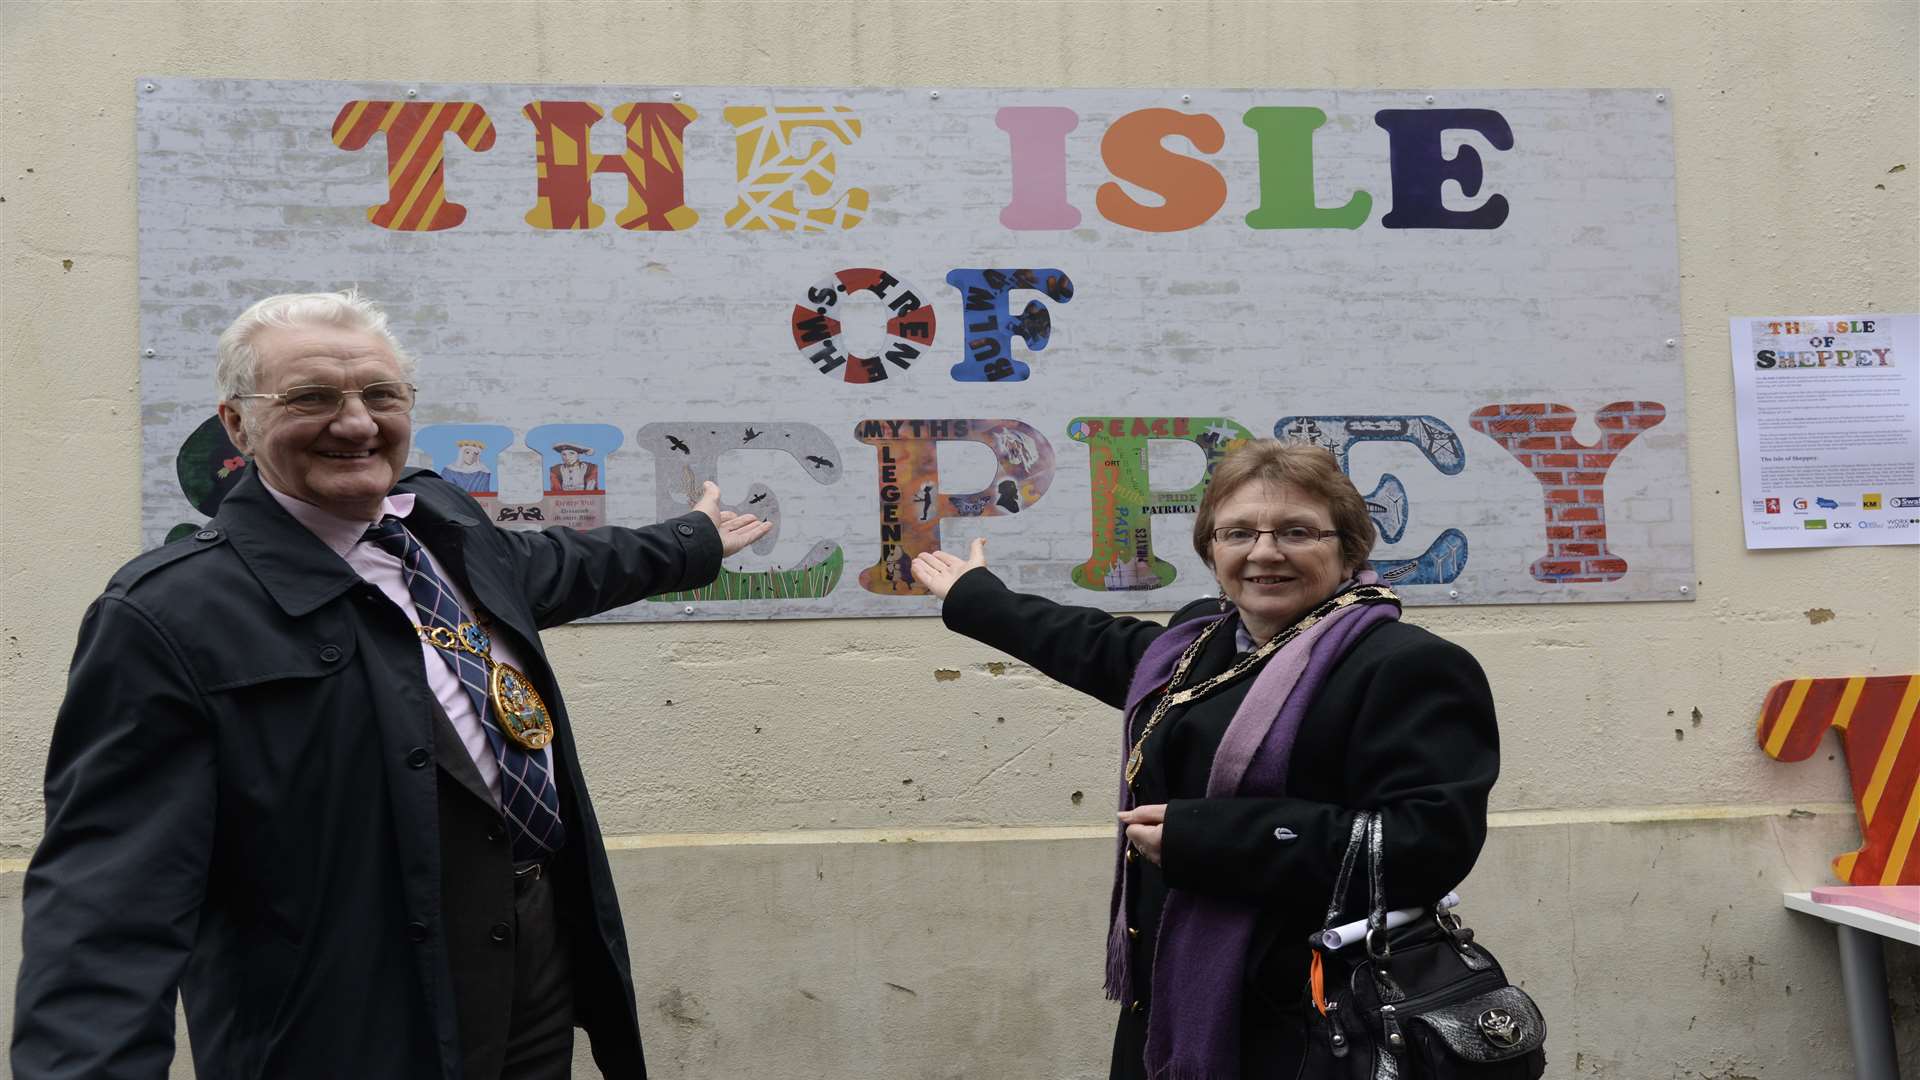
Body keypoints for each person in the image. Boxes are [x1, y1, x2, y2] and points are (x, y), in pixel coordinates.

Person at [11, 290, 772, 1080]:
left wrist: (692, 541)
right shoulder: (167, 615)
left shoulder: (438, 524)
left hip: (534, 951)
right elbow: (107, 907)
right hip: (352, 1007)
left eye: (381, 394)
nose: (356, 422)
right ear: (237, 425)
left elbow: (560, 566)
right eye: (310, 397)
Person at [911, 440, 1498, 1080]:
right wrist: (977, 597)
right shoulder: (1200, 645)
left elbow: (1427, 843)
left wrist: (1210, 838)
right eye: (1238, 532)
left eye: (1297, 532)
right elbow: (1098, 646)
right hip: (1173, 1000)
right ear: (1210, 549)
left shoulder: (1407, 665)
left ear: (1350, 547)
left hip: (1317, 1024)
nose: (1264, 552)